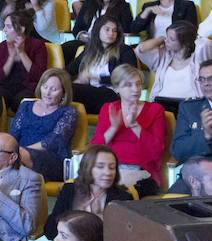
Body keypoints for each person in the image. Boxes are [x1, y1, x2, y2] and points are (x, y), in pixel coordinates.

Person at [91, 65, 166, 197]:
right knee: (75, 188)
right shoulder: (108, 108)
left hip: (141, 173)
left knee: (113, 192)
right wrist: (113, 128)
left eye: (138, 84)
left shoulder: (155, 110)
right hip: (109, 169)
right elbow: (95, 148)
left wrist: (134, 125)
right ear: (116, 88)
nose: (135, 89)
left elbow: (157, 150)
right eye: (128, 85)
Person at [44, 145, 132, 239]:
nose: (108, 172)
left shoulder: (123, 197)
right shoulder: (69, 190)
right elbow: (50, 231)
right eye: (100, 166)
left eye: (112, 167)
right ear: (87, 168)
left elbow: (126, 237)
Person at [10, 69, 78, 181]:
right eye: (45, 87)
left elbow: (51, 143)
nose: (47, 93)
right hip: (19, 155)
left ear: (64, 92)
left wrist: (20, 151)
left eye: (53, 89)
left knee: (11, 158)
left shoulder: (68, 112)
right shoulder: (25, 105)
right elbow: (14, 135)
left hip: (51, 160)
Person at [67, 16, 138, 114]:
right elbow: (68, 71)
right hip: (90, 93)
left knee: (71, 90)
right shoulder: (89, 51)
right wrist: (78, 78)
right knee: (62, 87)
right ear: (98, 30)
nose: (111, 33)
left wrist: (99, 78)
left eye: (114, 31)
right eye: (107, 29)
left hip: (112, 94)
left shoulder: (124, 51)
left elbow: (129, 77)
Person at [136, 20, 211, 109]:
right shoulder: (163, 57)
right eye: (166, 37)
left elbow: (206, 43)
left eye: (171, 39)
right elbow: (141, 50)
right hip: (163, 104)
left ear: (185, 42)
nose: (166, 41)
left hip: (190, 106)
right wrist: (161, 39)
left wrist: (193, 38)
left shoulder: (198, 58)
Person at [0, 11, 49, 109]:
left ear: (22, 29)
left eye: (8, 26)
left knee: (22, 100)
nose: (4, 30)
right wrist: (11, 57)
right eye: (4, 26)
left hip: (28, 88)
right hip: (6, 88)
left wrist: (22, 53)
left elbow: (39, 76)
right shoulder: (1, 47)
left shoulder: (38, 45)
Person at [171, 59, 212, 164]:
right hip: (195, 171)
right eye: (202, 79)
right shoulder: (189, 108)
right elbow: (177, 151)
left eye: (210, 78)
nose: (206, 83)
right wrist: (205, 135)